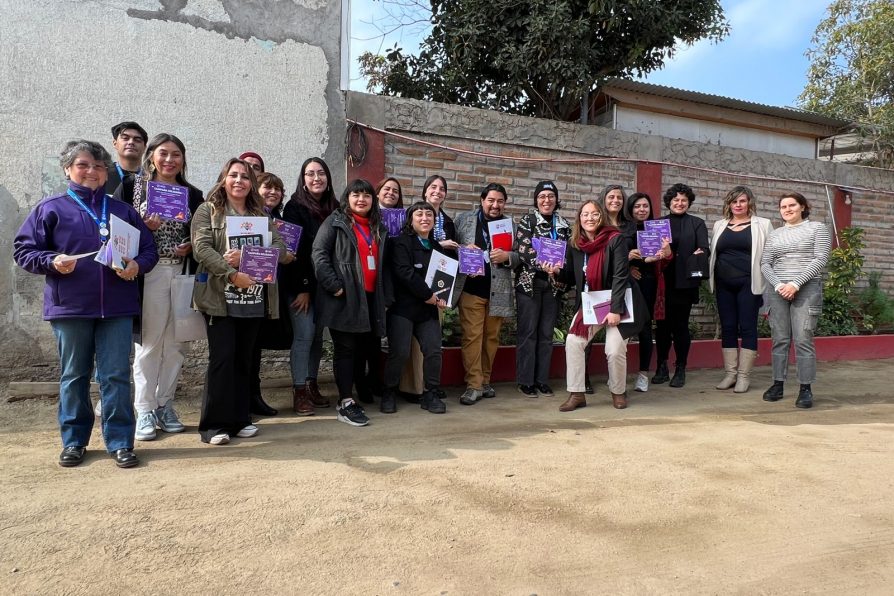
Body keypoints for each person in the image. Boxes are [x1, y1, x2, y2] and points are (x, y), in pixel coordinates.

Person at [14, 139, 158, 468]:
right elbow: (24, 251)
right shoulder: (50, 208)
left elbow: (148, 251)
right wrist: (51, 261)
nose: (91, 171)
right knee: (74, 376)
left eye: (97, 166)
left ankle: (121, 441)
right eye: (83, 165)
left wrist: (137, 266)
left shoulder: (122, 211)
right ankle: (75, 441)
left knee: (116, 376)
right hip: (71, 307)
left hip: (117, 307)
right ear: (68, 169)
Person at [190, 158, 290, 445]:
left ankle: (239, 419)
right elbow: (201, 249)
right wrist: (233, 274)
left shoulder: (261, 215)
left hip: (256, 297)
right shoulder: (207, 210)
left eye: (245, 177)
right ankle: (213, 425)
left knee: (244, 360)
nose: (239, 181)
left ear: (251, 184)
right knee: (222, 359)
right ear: (224, 179)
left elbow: (281, 249)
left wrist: (249, 257)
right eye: (233, 175)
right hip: (220, 296)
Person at [114, 133, 204, 441]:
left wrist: (192, 245)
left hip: (183, 274)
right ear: (151, 155)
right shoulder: (132, 188)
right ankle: (144, 409)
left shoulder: (193, 194)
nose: (169, 160)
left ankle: (165, 404)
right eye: (163, 153)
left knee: (176, 345)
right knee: (149, 345)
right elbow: (114, 232)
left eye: (176, 154)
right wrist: (143, 226)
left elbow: (201, 233)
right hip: (148, 275)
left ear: (183, 159)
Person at [312, 178, 388, 427]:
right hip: (344, 297)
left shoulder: (378, 226)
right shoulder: (335, 222)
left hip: (370, 298)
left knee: (364, 349)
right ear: (347, 198)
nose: (361, 199)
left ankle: (355, 395)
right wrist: (334, 286)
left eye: (366, 195)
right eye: (356, 195)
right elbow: (319, 254)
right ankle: (345, 402)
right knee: (345, 350)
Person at [560, 201, 647, 412]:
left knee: (614, 348)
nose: (589, 218)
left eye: (594, 214)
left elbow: (620, 275)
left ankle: (618, 392)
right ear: (579, 219)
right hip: (592, 302)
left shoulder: (615, 239)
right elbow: (571, 276)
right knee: (573, 341)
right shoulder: (576, 244)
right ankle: (577, 393)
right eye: (585, 214)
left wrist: (615, 310)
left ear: (602, 217)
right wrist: (554, 271)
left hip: (619, 301)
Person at [760, 192, 831, 409]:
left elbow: (820, 259)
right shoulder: (775, 234)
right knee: (779, 338)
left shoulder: (817, 228)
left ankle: (805, 388)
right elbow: (765, 263)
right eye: (783, 206)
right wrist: (780, 285)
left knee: (803, 339)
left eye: (792, 205)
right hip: (777, 290)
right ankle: (778, 384)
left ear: (802, 207)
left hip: (806, 288)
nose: (787, 209)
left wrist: (795, 283)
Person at [453, 183, 520, 405]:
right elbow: (451, 248)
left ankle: (485, 381)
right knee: (472, 337)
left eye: (500, 201)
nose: (495, 205)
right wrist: (464, 251)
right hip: (471, 290)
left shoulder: (509, 224)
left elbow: (521, 255)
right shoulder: (464, 220)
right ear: (482, 200)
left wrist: (507, 256)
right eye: (491, 200)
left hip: (498, 291)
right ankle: (474, 385)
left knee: (491, 339)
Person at [282, 158, 339, 414]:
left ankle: (311, 384)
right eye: (310, 174)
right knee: (304, 335)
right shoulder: (293, 207)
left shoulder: (336, 208)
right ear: (303, 180)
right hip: (300, 285)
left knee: (317, 338)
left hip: (324, 286)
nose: (316, 178)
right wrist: (303, 287)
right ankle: (299, 391)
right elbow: (294, 252)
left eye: (321, 173)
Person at [381, 202, 449, 414]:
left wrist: (443, 295)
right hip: (403, 308)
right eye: (419, 214)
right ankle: (389, 391)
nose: (424, 218)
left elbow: (443, 279)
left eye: (429, 214)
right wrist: (429, 295)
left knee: (433, 350)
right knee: (399, 352)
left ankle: (430, 393)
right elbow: (404, 273)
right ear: (410, 220)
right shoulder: (401, 243)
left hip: (427, 311)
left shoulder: (437, 247)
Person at [709, 186, 774, 393]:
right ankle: (730, 374)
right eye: (734, 201)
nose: (738, 205)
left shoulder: (763, 224)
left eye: (742, 201)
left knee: (747, 327)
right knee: (728, 327)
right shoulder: (720, 225)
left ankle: (744, 377)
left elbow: (771, 254)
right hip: (723, 283)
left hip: (749, 283)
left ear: (749, 203)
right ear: (728, 204)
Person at [514, 180, 570, 397]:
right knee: (528, 333)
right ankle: (526, 381)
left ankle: (541, 380)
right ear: (536, 200)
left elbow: (568, 254)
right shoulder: (528, 220)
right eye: (542, 197)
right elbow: (523, 249)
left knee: (546, 334)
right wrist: (543, 266)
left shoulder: (564, 224)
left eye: (550, 196)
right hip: (530, 284)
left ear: (556, 200)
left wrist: (558, 268)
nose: (546, 200)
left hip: (554, 287)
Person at [652, 183, 710, 388]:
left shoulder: (696, 223)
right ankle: (661, 366)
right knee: (661, 327)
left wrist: (698, 253)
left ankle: (681, 367)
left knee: (680, 327)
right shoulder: (658, 223)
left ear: (689, 202)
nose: (679, 203)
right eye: (675, 200)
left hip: (684, 284)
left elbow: (703, 248)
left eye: (683, 200)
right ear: (669, 202)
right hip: (661, 283)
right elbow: (650, 249)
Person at [248, 172, 290, 416]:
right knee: (248, 348)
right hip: (249, 287)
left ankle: (254, 396)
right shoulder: (252, 216)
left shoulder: (278, 219)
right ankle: (246, 397)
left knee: (256, 349)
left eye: (278, 189)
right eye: (268, 188)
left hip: (270, 290)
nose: (273, 192)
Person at [625, 192, 671, 393]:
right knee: (622, 329)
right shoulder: (623, 229)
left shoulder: (657, 229)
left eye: (645, 206)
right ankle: (617, 374)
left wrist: (666, 250)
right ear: (630, 208)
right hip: (625, 283)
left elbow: (668, 258)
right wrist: (628, 267)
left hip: (648, 282)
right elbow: (612, 257)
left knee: (644, 328)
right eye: (637, 206)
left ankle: (643, 374)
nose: (641, 210)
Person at [105, 121, 148, 194]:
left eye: (137, 140)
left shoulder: (152, 177)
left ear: (145, 148)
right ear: (115, 143)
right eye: (125, 138)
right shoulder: (103, 174)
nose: (131, 142)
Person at [423, 175, 459, 255]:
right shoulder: (414, 215)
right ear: (425, 192)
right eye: (433, 187)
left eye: (442, 189)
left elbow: (453, 251)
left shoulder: (449, 222)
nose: (438, 191)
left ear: (445, 195)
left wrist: (466, 248)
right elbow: (412, 243)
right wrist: (441, 244)